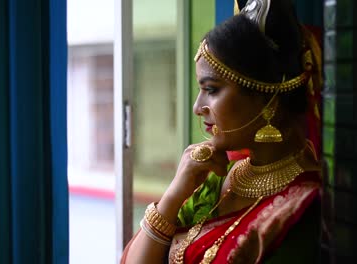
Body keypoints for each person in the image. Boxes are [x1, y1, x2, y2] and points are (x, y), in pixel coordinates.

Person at [121, 0, 323, 263]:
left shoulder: (303, 207)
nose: (197, 107)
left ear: (266, 97)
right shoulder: (215, 178)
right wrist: (173, 195)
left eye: (212, 89)